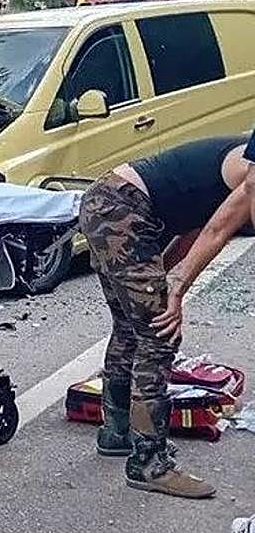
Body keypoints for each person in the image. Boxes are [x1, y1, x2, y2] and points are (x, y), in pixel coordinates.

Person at [78, 133, 254, 499]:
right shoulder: (251, 178)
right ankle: (148, 463)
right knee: (159, 335)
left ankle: (117, 432)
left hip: (107, 203)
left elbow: (199, 226)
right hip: (122, 210)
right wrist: (173, 289)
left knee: (132, 328)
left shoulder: (238, 164)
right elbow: (219, 228)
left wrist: (165, 280)